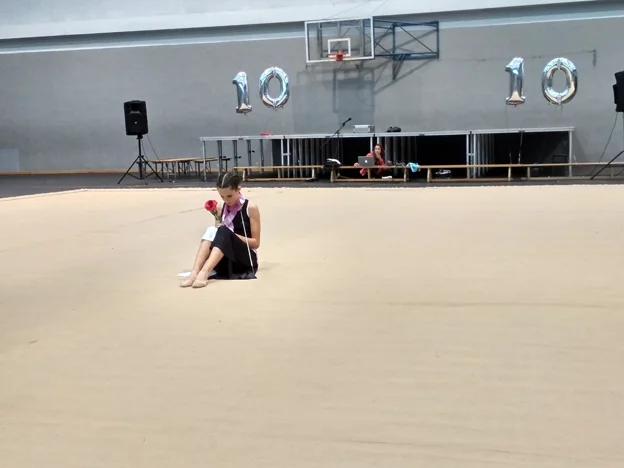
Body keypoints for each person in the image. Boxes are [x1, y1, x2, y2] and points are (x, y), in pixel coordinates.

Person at [181, 172, 261, 288]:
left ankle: (204, 273)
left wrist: (231, 236)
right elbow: (217, 240)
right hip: (224, 257)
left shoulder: (250, 207)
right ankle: (195, 272)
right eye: (222, 196)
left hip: (244, 258)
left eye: (229, 196)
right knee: (212, 230)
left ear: (238, 189)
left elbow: (256, 243)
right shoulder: (220, 207)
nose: (226, 200)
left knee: (223, 231)